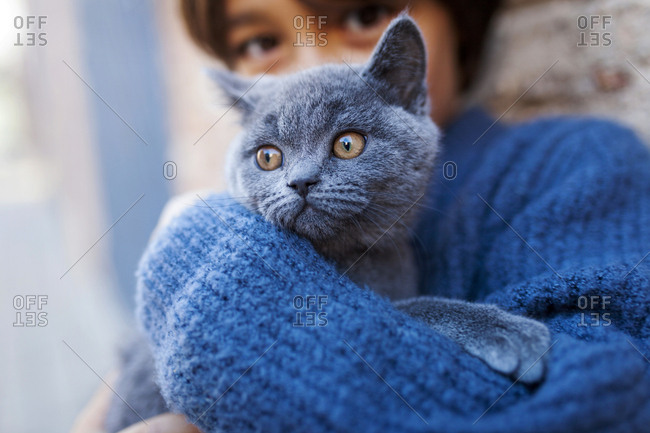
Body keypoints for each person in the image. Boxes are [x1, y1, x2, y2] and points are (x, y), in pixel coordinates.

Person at [73, 0, 650, 432]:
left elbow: (606, 406)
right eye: (257, 43)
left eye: (363, 11)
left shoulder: (577, 166)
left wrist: (196, 251)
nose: (314, 59)